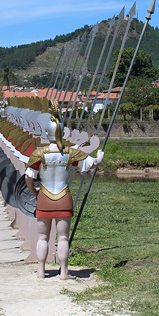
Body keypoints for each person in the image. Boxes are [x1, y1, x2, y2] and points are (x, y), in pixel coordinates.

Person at [24, 101, 103, 280]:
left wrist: (34, 192)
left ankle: (41, 270)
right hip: (63, 198)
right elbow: (92, 163)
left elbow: (28, 177)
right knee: (63, 238)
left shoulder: (38, 154)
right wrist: (99, 157)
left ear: (47, 133)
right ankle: (64, 272)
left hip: (43, 197)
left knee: (43, 237)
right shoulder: (70, 153)